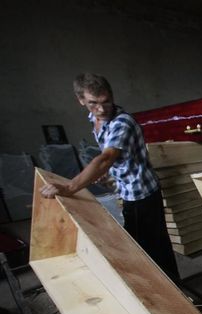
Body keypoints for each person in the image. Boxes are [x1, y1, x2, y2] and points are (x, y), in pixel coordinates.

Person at [40, 73, 179, 282]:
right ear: (81, 101)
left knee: (152, 247)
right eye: (93, 103)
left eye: (106, 102)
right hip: (127, 190)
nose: (101, 109)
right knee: (145, 245)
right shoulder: (96, 119)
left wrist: (70, 188)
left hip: (141, 193)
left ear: (112, 96)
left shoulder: (121, 123)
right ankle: (169, 287)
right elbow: (115, 160)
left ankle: (176, 293)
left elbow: (105, 158)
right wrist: (109, 174)